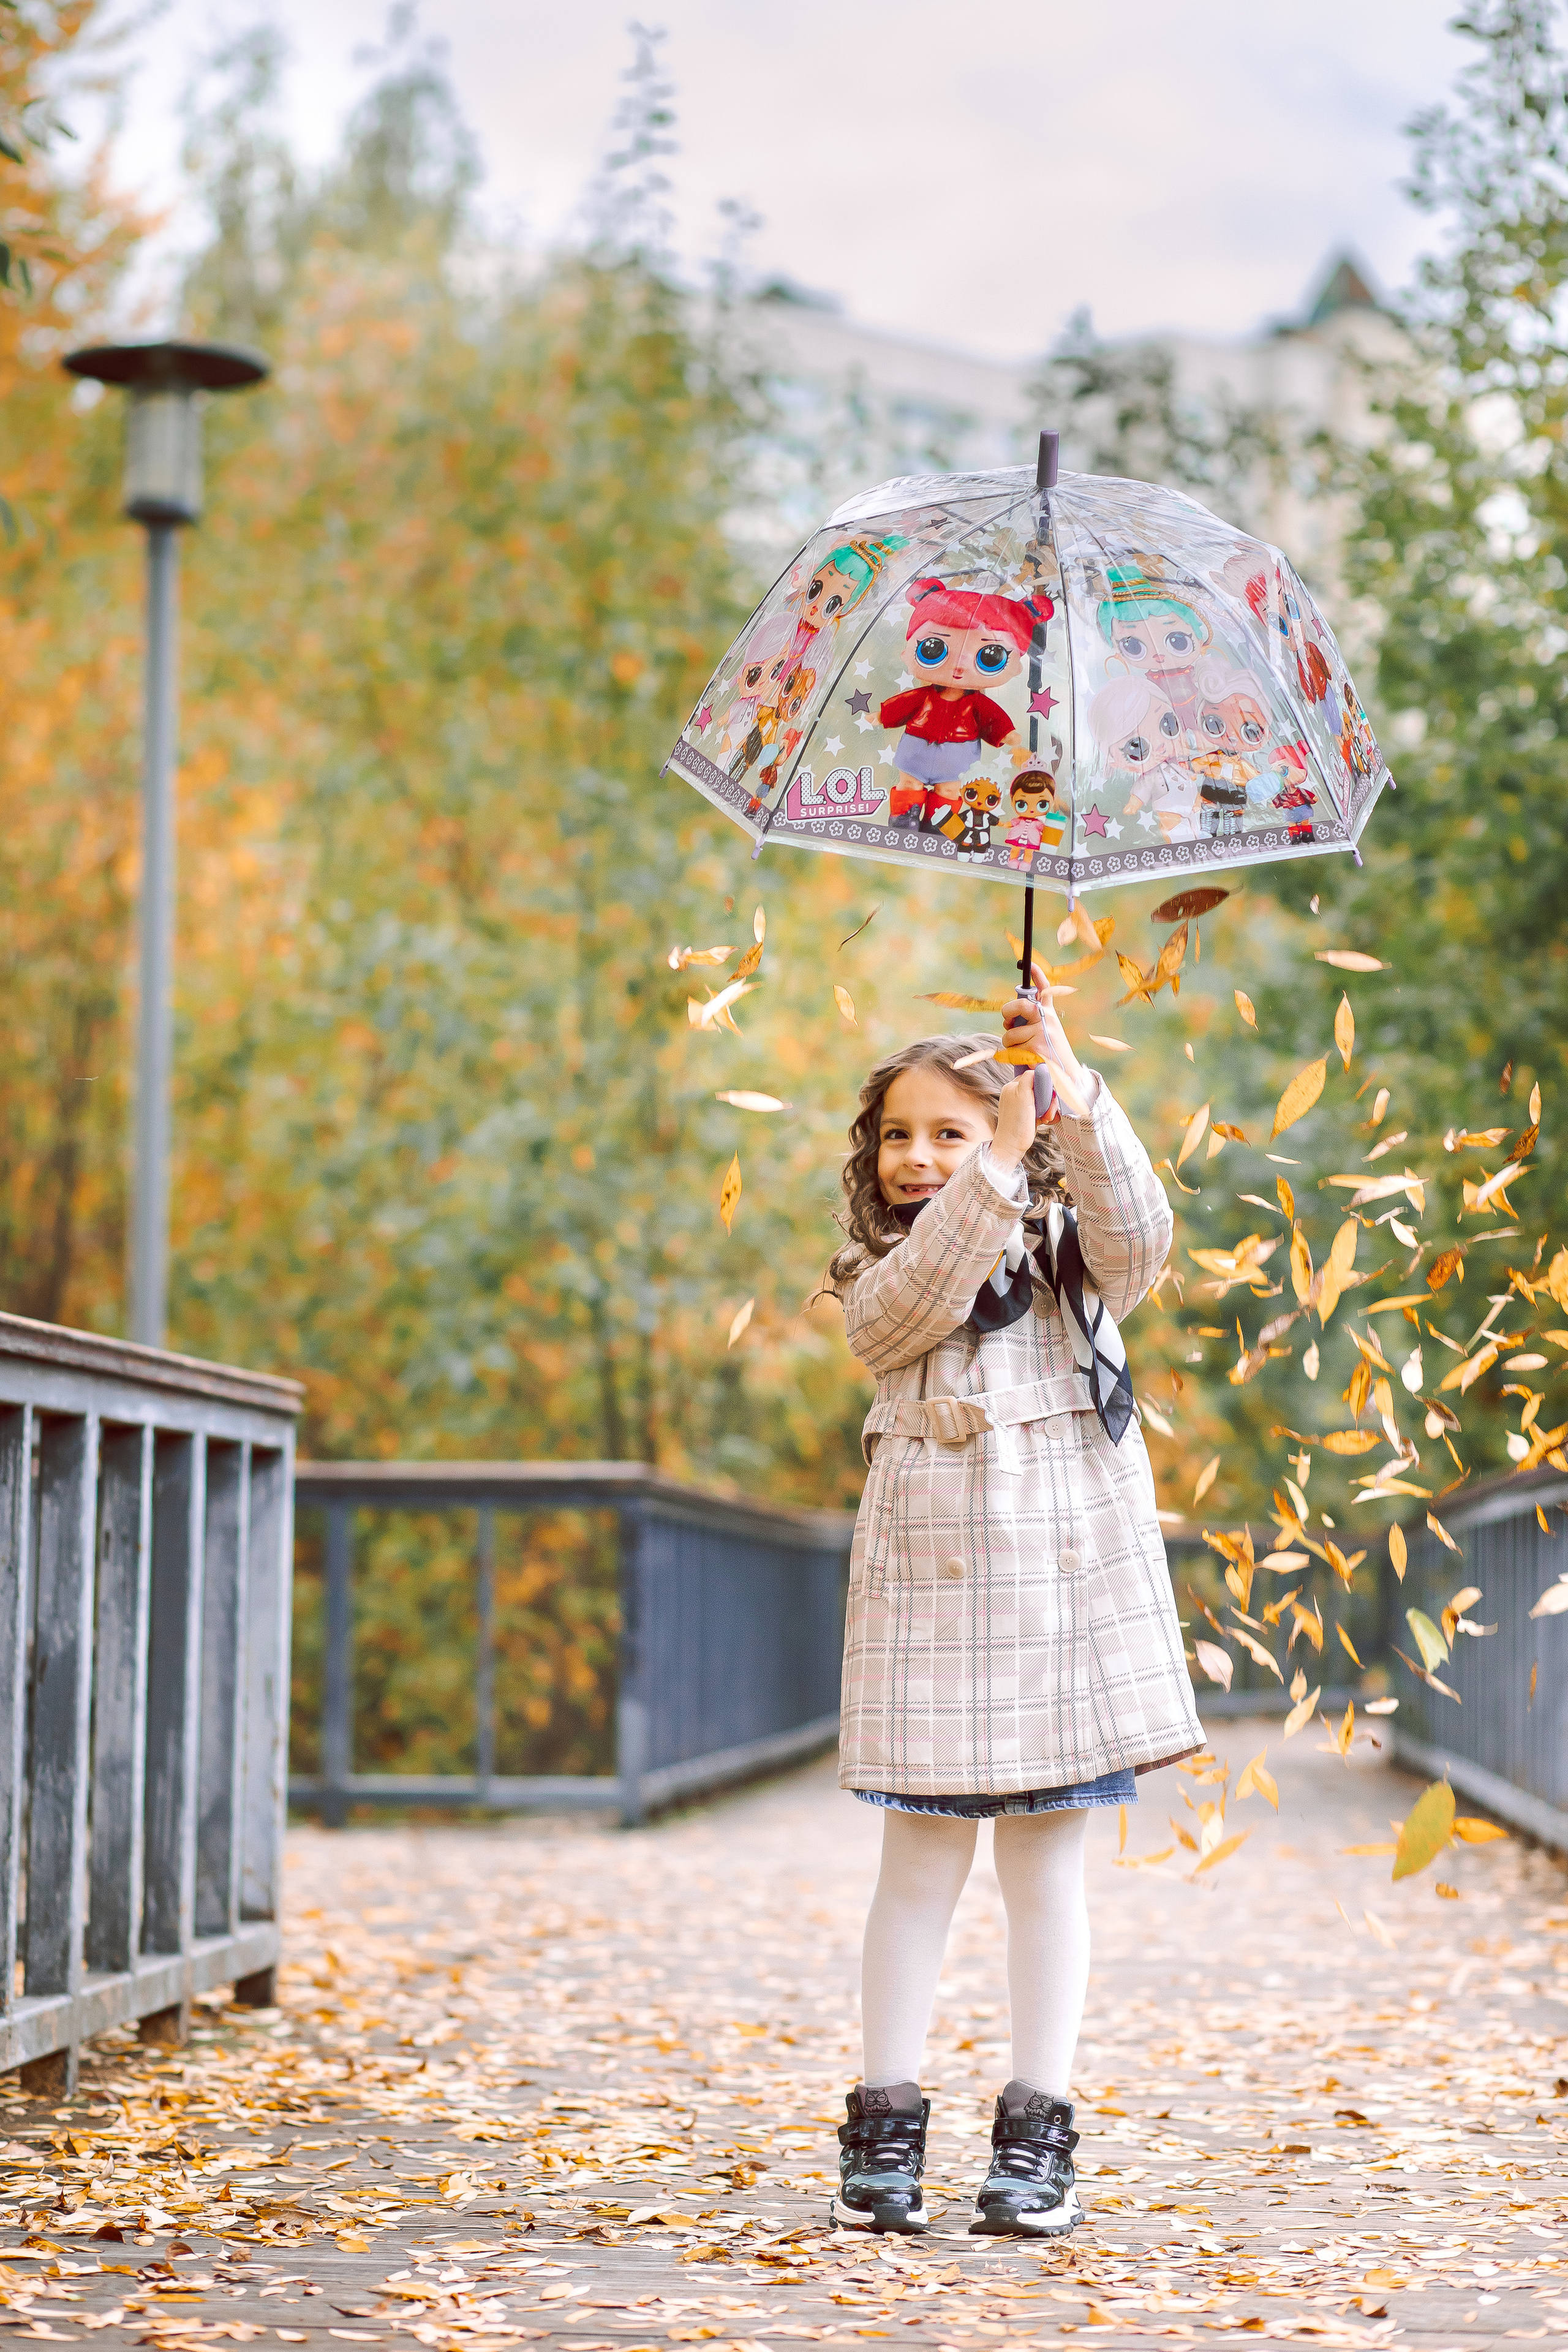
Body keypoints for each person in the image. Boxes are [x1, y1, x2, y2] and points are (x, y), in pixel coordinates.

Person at [823, 995, 1201, 2239]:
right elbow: (907, 1313)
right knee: (917, 1865)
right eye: (899, 1135)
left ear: (1010, 1123)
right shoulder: (873, 1261)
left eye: (950, 1129)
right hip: (931, 1581)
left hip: (1057, 1571)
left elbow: (1142, 1236)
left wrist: (1074, 1092)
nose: (918, 1156)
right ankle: (882, 2132)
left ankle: (1036, 2139)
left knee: (1046, 1868)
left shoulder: (1065, 1250)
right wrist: (989, 1166)